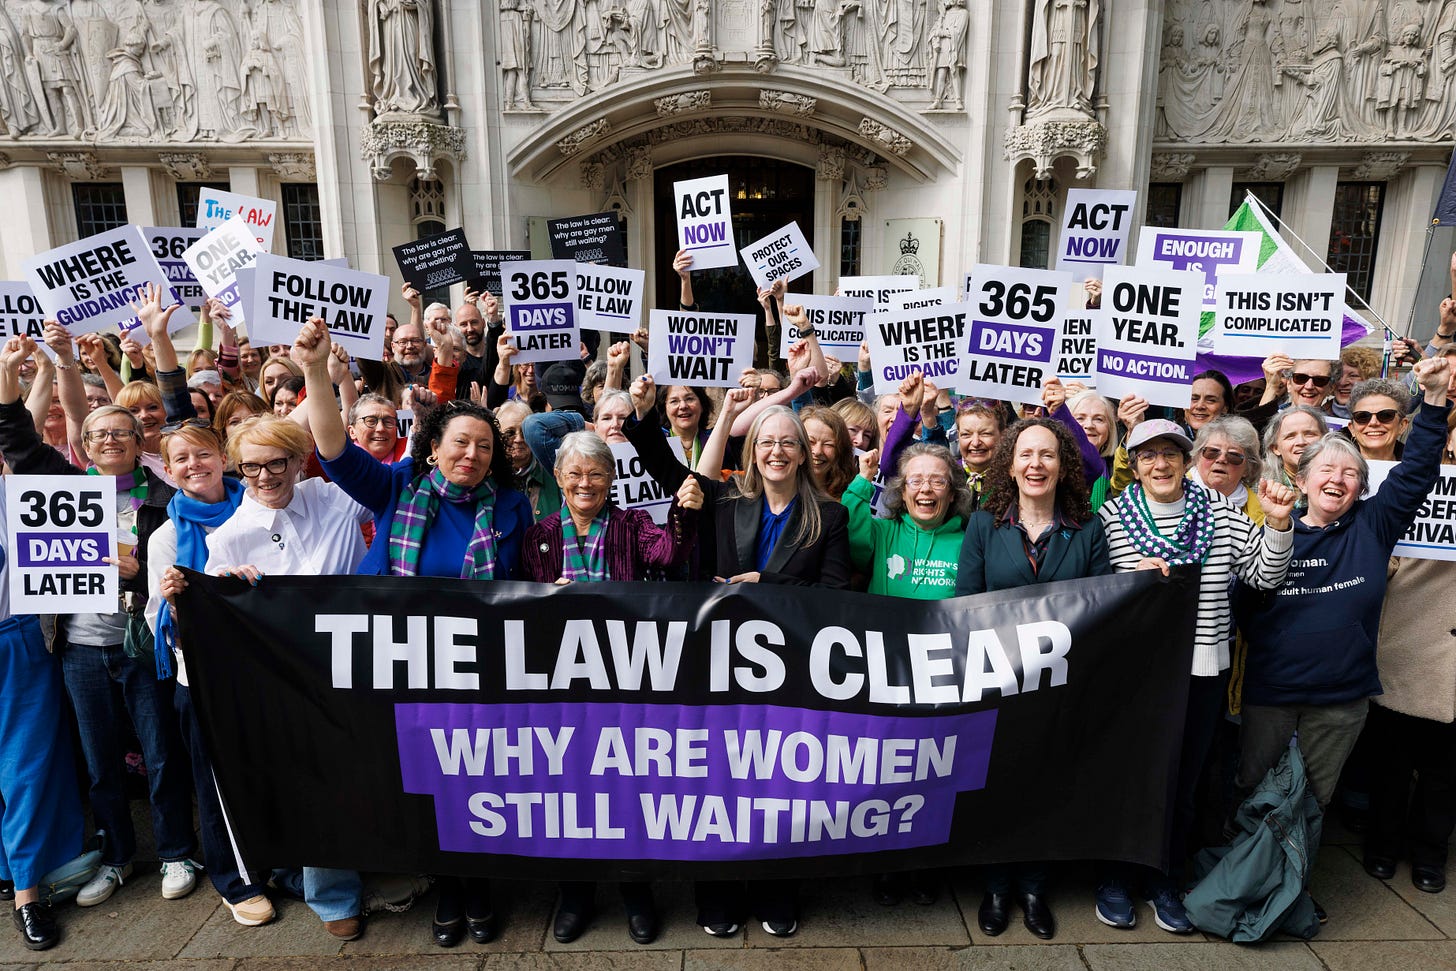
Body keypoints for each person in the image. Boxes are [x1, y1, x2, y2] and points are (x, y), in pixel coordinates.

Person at [298, 318, 531, 944]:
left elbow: (527, 580)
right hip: (401, 664)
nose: (472, 455)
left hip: (480, 669)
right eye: (460, 443)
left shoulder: (512, 507)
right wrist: (317, 371)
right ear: (432, 449)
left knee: (475, 780)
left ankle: (478, 887)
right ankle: (447, 889)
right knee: (424, 783)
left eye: (484, 447)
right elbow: (333, 450)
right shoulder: (398, 487)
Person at [626, 375, 849, 937]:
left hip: (790, 672)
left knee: (782, 785)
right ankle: (719, 893)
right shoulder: (725, 501)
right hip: (721, 667)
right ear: (751, 452)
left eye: (788, 442)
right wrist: (707, 414)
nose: (777, 451)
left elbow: (836, 595)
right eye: (766, 442)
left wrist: (766, 584)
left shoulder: (830, 516)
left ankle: (777, 891)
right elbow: (678, 474)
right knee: (720, 781)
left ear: (803, 454)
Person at [0, 336, 199, 911]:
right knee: (100, 761)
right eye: (98, 434)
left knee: (161, 755)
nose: (110, 439)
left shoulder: (167, 499)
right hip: (79, 649)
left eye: (121, 432)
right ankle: (117, 856)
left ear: (140, 442)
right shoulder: (64, 489)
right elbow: (15, 439)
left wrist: (139, 575)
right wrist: (14, 373)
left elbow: (188, 569)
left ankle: (176, 852)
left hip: (142, 645)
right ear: (83, 446)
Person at [1236, 358, 1452, 874]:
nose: (1337, 479)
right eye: (1327, 471)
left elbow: (1417, 472)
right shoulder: (1272, 526)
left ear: (1362, 486)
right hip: (1273, 693)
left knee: (1313, 800)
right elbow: (1247, 604)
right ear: (1302, 478)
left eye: (1350, 473)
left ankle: (1290, 890)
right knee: (1252, 793)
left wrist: (1434, 399)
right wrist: (1278, 530)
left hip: (1340, 698)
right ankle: (1240, 884)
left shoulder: (1373, 526)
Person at [1099, 419, 1297, 934]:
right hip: (1136, 675)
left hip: (1201, 669)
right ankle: (1116, 876)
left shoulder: (1222, 514)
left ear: (1187, 460)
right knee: (1129, 777)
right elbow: (1092, 591)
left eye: (1170, 453)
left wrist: (1278, 524)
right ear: (1134, 465)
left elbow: (1265, 575)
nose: (1159, 464)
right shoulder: (1112, 518)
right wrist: (1129, 581)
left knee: (1183, 781)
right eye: (1147, 455)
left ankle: (1164, 877)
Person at [185, 415, 371, 941]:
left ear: (298, 460)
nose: (265, 476)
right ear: (237, 468)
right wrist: (221, 589)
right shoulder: (228, 539)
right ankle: (333, 894)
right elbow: (209, 622)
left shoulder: (334, 499)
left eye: (276, 463)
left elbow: (389, 484)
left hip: (358, 665)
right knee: (314, 779)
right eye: (251, 466)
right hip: (289, 684)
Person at [521, 431, 701, 945]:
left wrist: (685, 512)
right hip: (561, 687)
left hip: (624, 682)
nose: (585, 483)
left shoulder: (631, 523)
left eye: (597, 474)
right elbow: (519, 606)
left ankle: (635, 894)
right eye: (575, 474)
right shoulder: (539, 536)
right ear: (558, 478)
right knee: (566, 790)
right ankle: (574, 895)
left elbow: (667, 555)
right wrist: (542, 597)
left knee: (625, 788)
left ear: (611, 479)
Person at [956, 418, 1111, 940]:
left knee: (1047, 786)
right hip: (998, 681)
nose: (1035, 464)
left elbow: (1101, 603)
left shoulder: (1088, 528)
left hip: (1061, 685)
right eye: (1025, 454)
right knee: (997, 784)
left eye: (1047, 455)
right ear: (1010, 464)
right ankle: (997, 887)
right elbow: (966, 602)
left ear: (1063, 467)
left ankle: (1033, 889)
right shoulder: (984, 524)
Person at [147, 423, 272, 927]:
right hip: (203, 681)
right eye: (181, 459)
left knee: (272, 771)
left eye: (202, 454)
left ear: (224, 457)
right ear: (168, 471)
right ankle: (236, 881)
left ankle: (284, 863)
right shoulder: (167, 537)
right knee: (217, 784)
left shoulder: (260, 511)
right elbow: (160, 623)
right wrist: (179, 604)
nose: (194, 465)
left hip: (268, 673)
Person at [1363, 408, 1456, 894]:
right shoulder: (1418, 489)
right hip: (1408, 640)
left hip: (1451, 653)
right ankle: (1382, 845)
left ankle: (1430, 854)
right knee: (1392, 762)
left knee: (1445, 771)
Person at [1191, 416, 1265, 523]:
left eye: (1233, 456)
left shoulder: (1261, 512)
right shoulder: (1174, 492)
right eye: (1212, 452)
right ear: (1197, 458)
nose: (1221, 459)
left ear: (1247, 468)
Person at [1260, 405, 1329, 493]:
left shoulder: (1339, 480)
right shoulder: (1261, 487)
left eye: (1309, 434)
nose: (1301, 442)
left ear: (1325, 439)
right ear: (1275, 448)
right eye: (1290, 436)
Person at [1345, 378, 1411, 461]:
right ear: (1352, 428)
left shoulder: (1420, 467)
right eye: (1362, 416)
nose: (1373, 422)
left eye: (1386, 415)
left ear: (1402, 425)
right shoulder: (1332, 464)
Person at [800, 404, 856, 500]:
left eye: (828, 445)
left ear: (840, 451)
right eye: (811, 442)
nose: (818, 451)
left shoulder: (848, 500)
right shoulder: (780, 490)